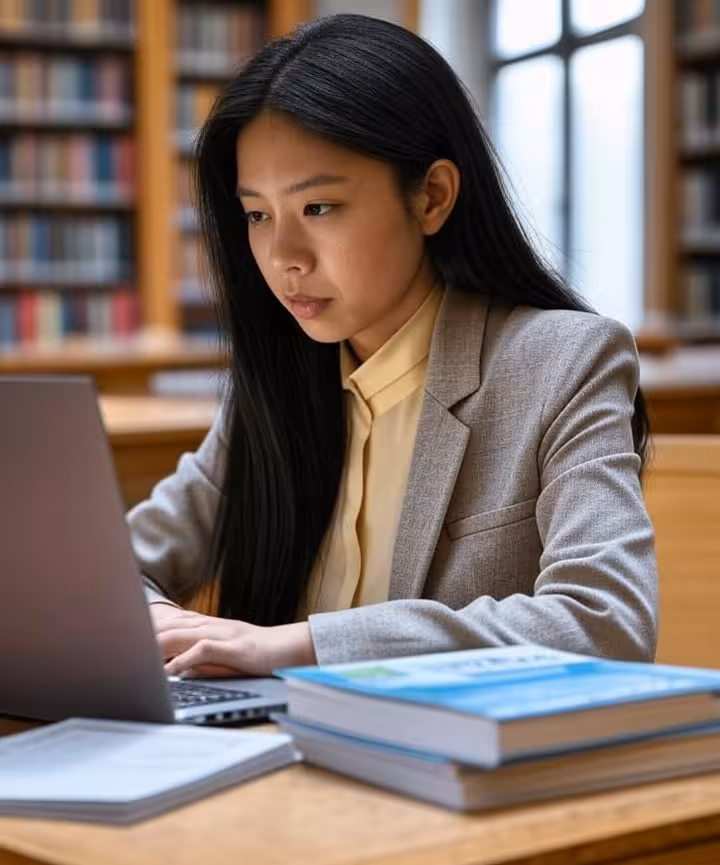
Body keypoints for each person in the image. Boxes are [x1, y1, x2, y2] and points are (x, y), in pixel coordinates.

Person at [127, 13, 657, 679]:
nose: (283, 256)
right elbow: (109, 567)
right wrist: (149, 617)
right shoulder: (276, 384)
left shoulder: (562, 363)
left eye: (318, 208)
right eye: (258, 215)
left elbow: (606, 622)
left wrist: (297, 646)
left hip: (447, 768)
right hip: (270, 758)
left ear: (432, 196)